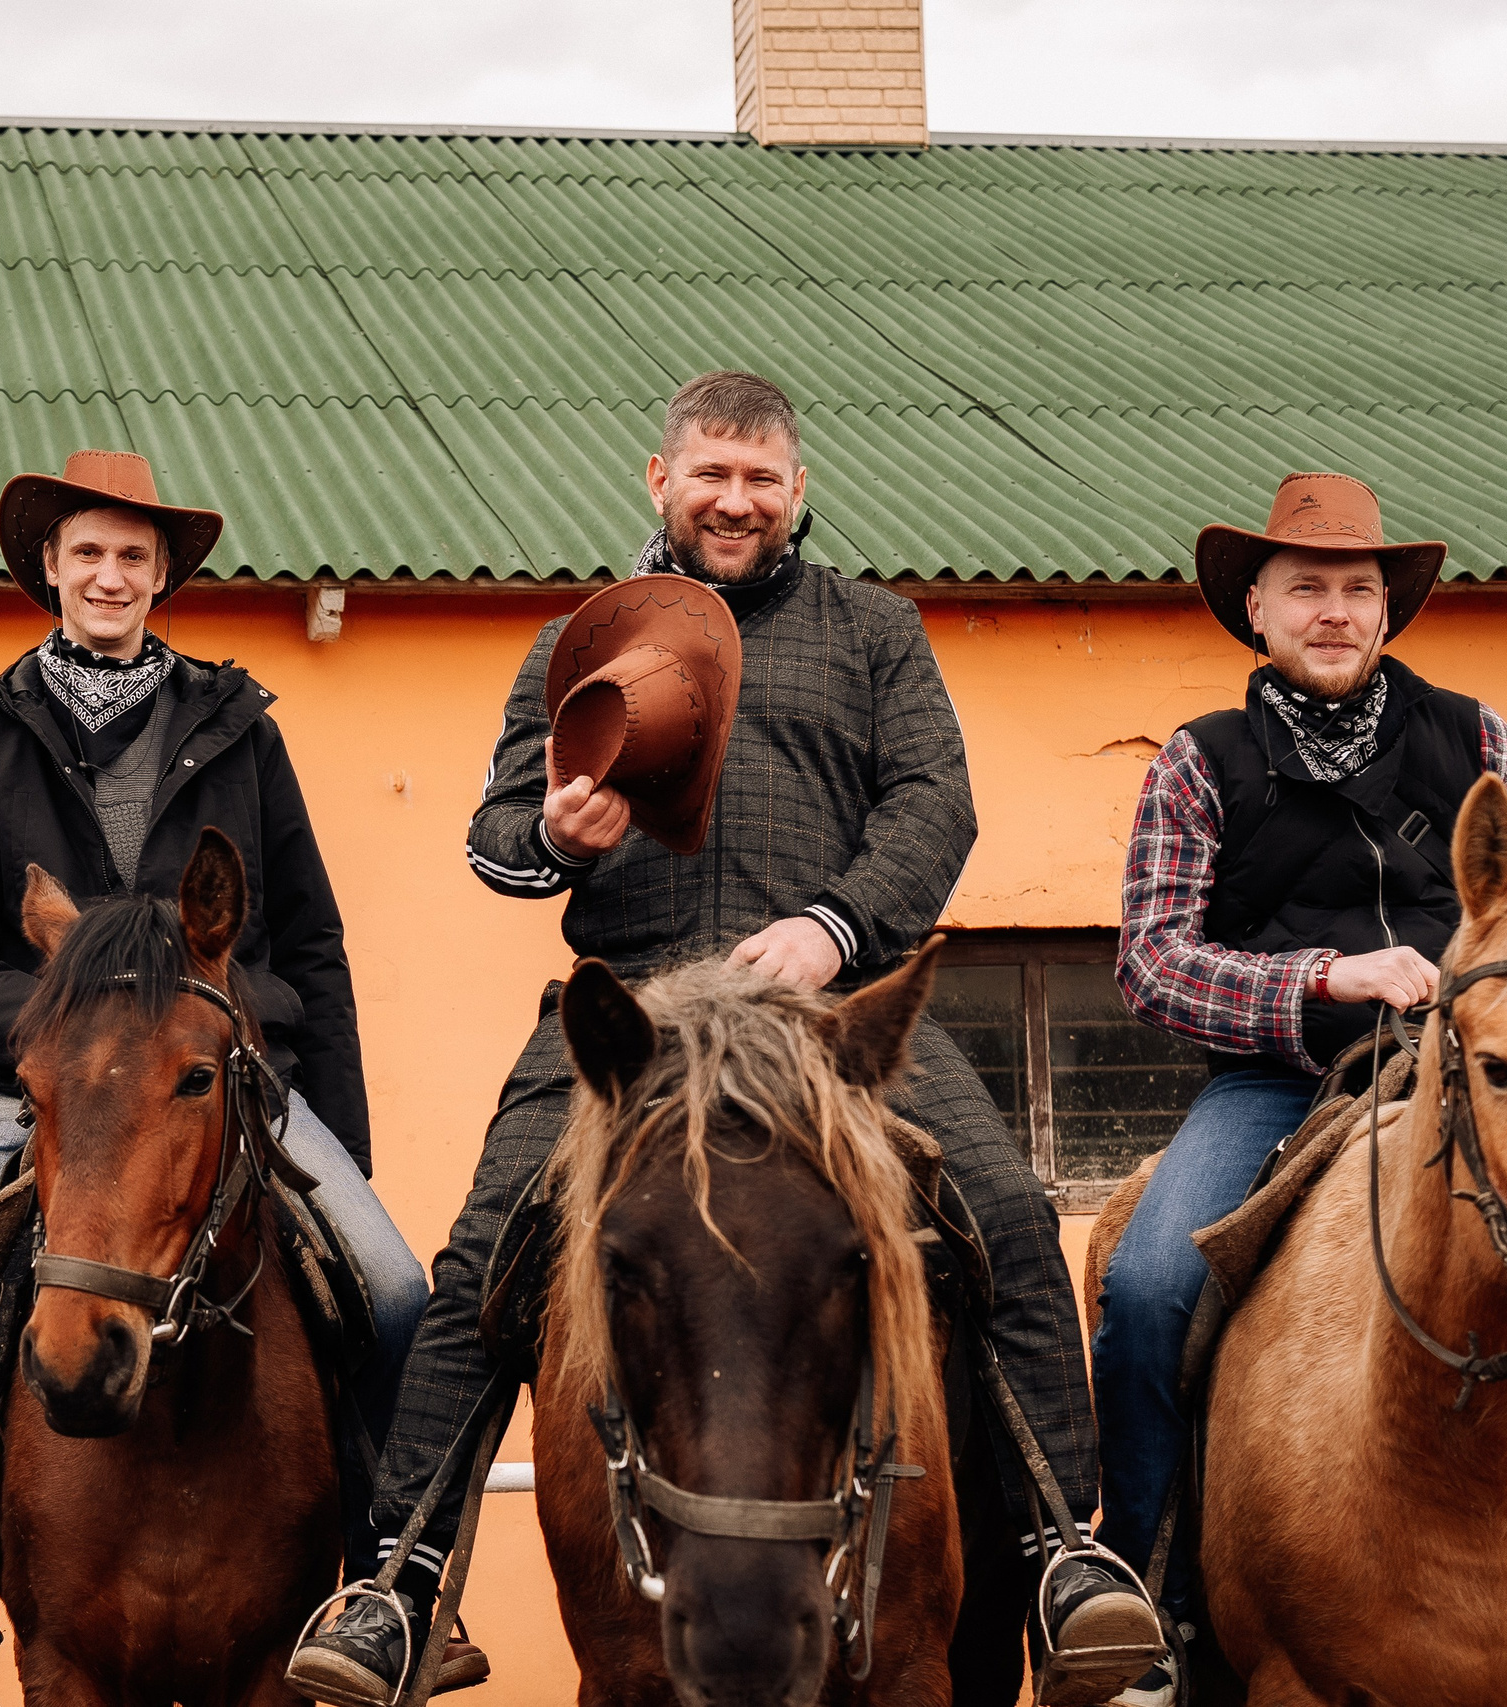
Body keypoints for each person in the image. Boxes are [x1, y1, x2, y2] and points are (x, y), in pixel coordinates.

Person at [287, 370, 1161, 1707]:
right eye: (713, 474)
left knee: (1006, 1219)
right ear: (662, 480)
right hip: (631, 1018)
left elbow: (936, 806)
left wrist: (834, 920)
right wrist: (551, 838)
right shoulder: (577, 641)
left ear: (797, 489)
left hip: (831, 1015)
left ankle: (1061, 1549)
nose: (736, 499)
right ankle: (402, 1579)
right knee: (483, 1259)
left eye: (762, 478)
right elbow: (494, 836)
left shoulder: (876, 632)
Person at [0, 450, 430, 1707]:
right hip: (40, 1099)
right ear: (49, 574)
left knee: (395, 1292)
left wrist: (338, 1137)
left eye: (133, 556)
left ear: (160, 575)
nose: (109, 575)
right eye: (87, 555)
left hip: (226, 1086)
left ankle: (387, 1603)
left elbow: (311, 946)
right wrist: (80, 1039)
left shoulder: (244, 734)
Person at [1100, 471, 1507, 1705]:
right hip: (1278, 1085)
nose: (1334, 611)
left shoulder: (1478, 739)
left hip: (1477, 1068)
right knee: (1149, 1280)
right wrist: (1323, 979)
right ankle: (1142, 1607)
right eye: (1306, 589)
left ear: (1387, 614)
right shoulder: (1198, 763)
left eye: (1357, 590)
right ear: (1255, 613)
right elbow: (1151, 961)